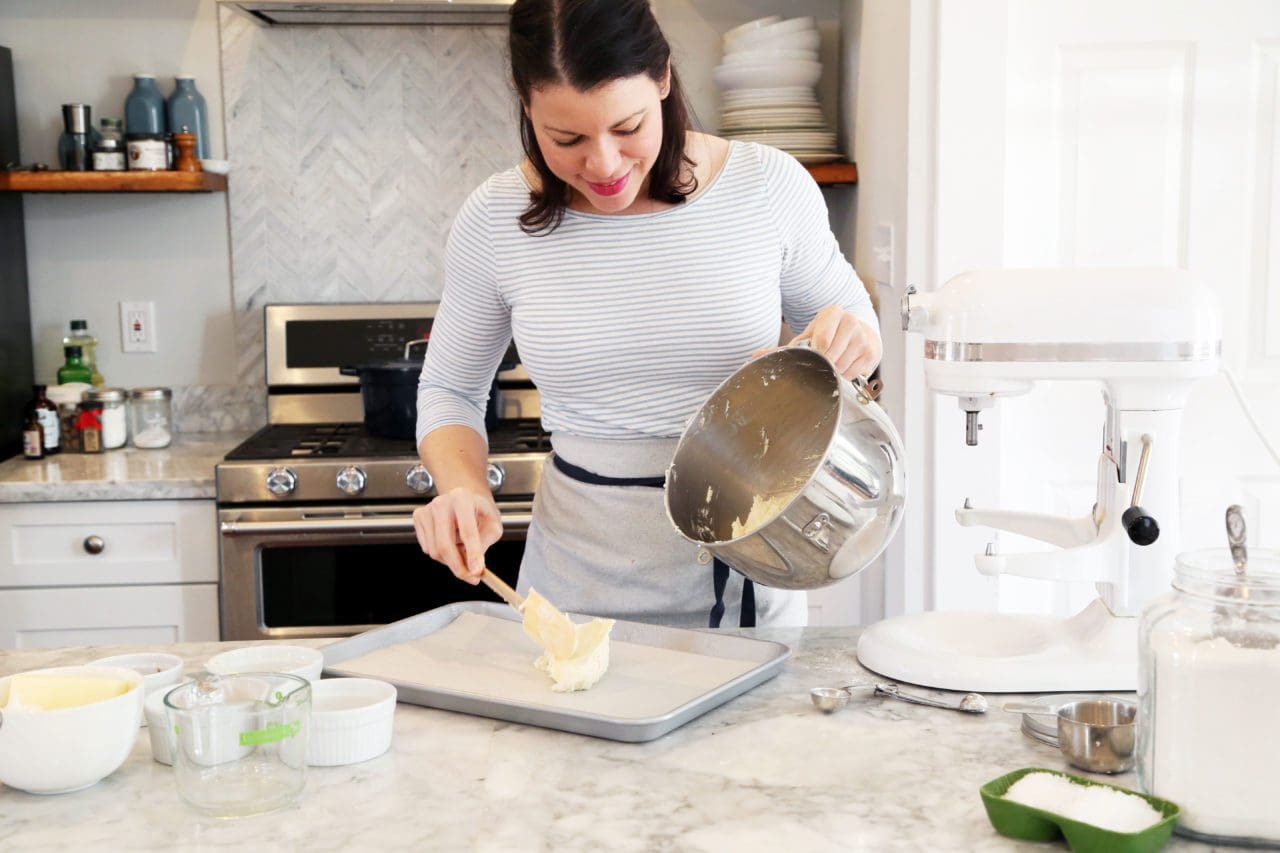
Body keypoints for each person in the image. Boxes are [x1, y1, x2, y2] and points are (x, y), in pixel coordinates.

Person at [412, 0, 881, 628]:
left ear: (662, 77)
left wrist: (848, 340)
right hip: (575, 591)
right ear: (527, 105)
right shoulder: (494, 219)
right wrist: (462, 487)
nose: (603, 165)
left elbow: (853, 323)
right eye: (567, 138)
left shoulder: (767, 186)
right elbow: (449, 389)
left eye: (627, 127)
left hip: (748, 580)